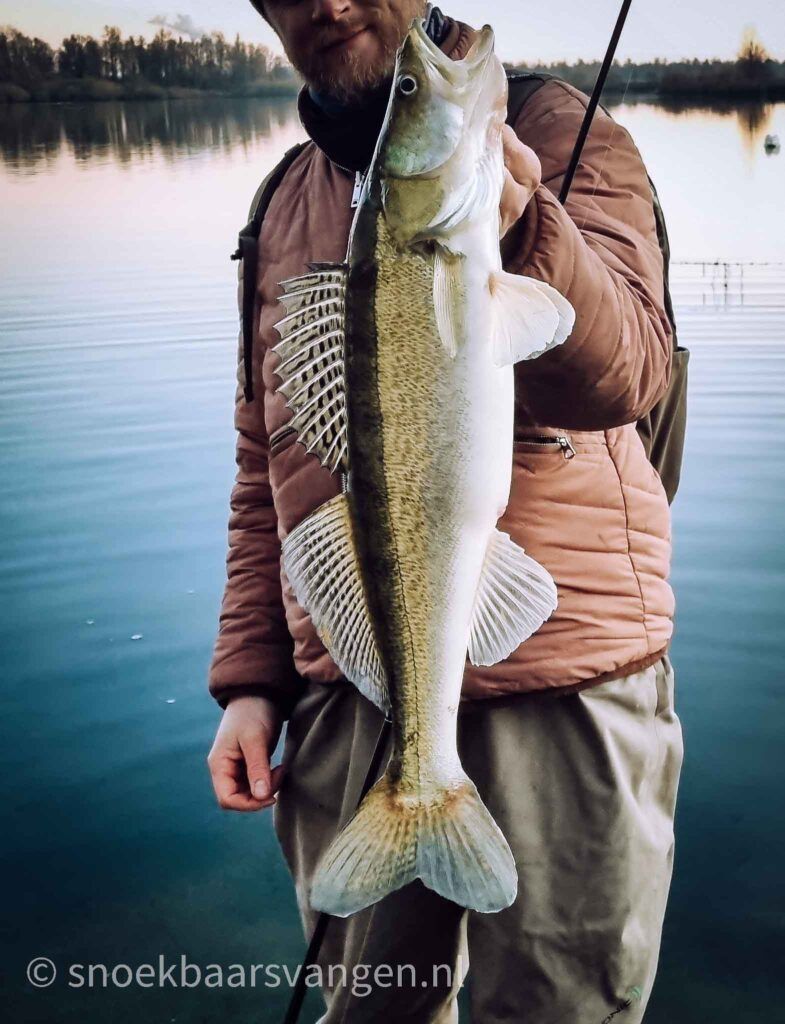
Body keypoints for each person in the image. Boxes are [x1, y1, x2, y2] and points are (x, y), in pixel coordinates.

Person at [207, 2, 684, 1021]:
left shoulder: (561, 138)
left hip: (569, 679)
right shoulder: (279, 201)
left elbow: (628, 374)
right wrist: (251, 679)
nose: (325, 3)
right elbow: (264, 465)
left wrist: (519, 220)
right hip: (347, 689)